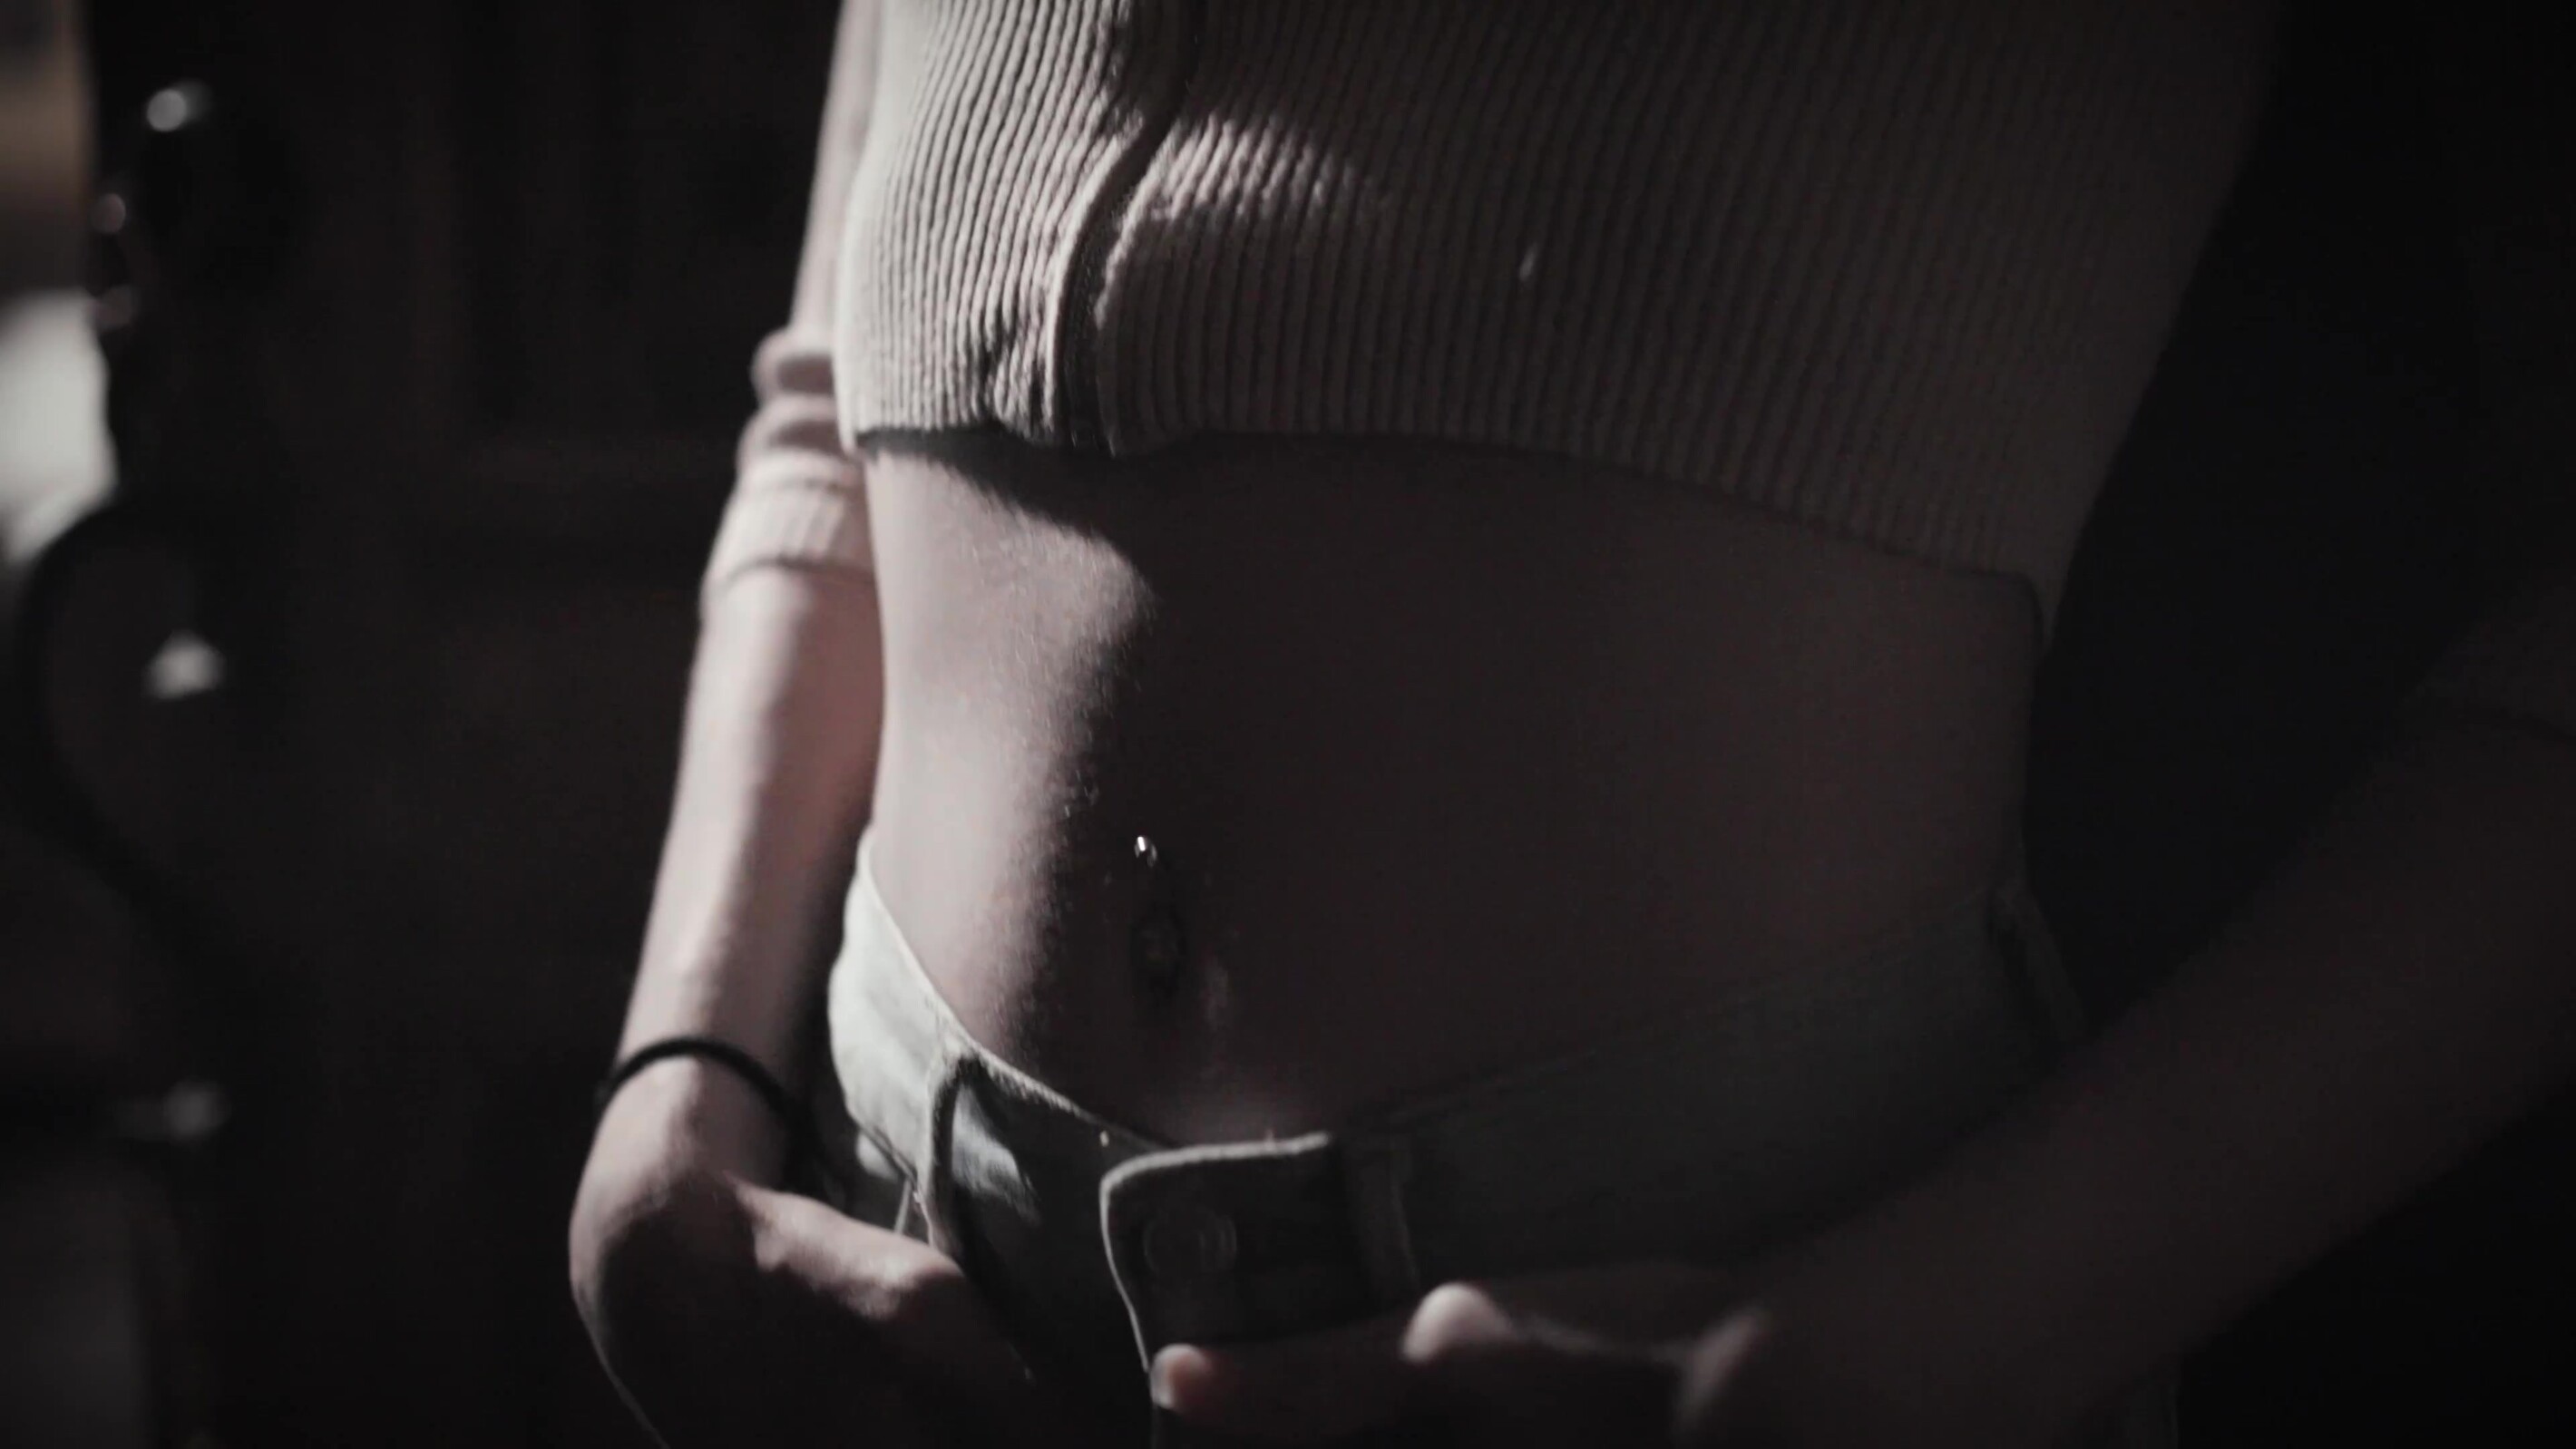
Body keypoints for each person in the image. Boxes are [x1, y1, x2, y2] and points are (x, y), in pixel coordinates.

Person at [569, 2, 2576, 1444]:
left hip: (1746, 1324)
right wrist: (677, 1099)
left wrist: (1915, 1345)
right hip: (898, 1290)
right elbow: (830, 412)